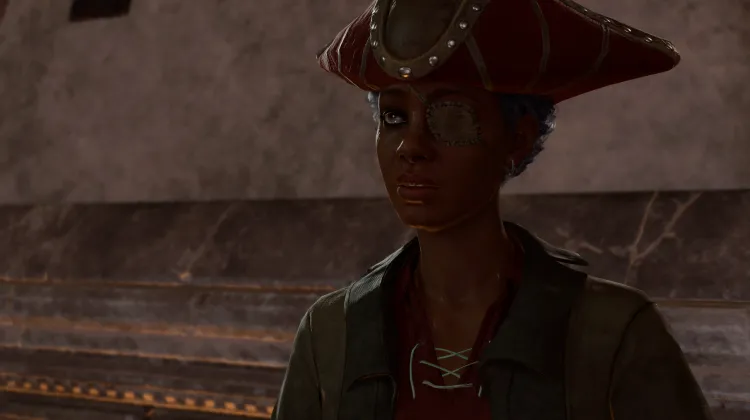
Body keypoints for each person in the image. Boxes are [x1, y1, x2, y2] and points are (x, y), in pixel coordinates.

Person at [272, 0, 713, 419]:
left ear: (518, 138)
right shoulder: (331, 334)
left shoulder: (612, 333)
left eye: (451, 117)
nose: (412, 146)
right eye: (394, 118)